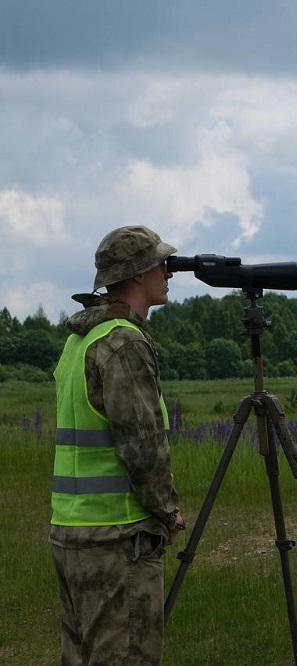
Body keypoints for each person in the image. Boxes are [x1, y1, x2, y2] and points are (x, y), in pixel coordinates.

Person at [50, 225, 185, 665]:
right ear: (139, 274)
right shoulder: (122, 342)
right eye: (161, 263)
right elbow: (142, 447)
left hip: (73, 532)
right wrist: (166, 511)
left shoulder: (79, 340)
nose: (169, 271)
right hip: (117, 538)